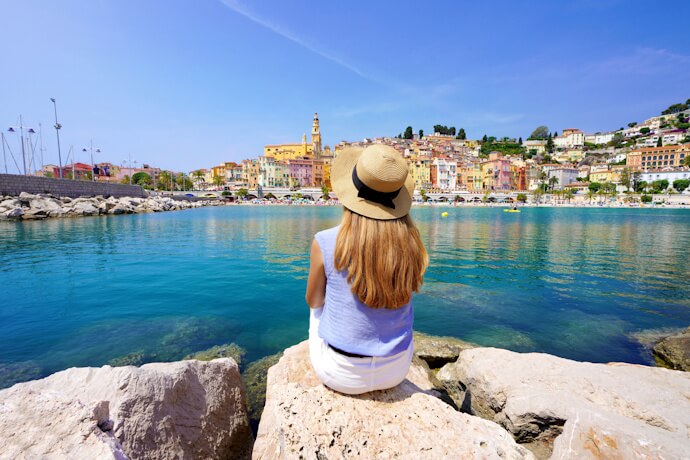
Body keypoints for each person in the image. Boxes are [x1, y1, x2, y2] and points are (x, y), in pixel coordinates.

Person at [305, 145, 428, 395]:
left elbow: (314, 301)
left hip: (340, 374)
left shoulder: (326, 241)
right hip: (396, 369)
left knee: (317, 309)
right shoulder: (412, 241)